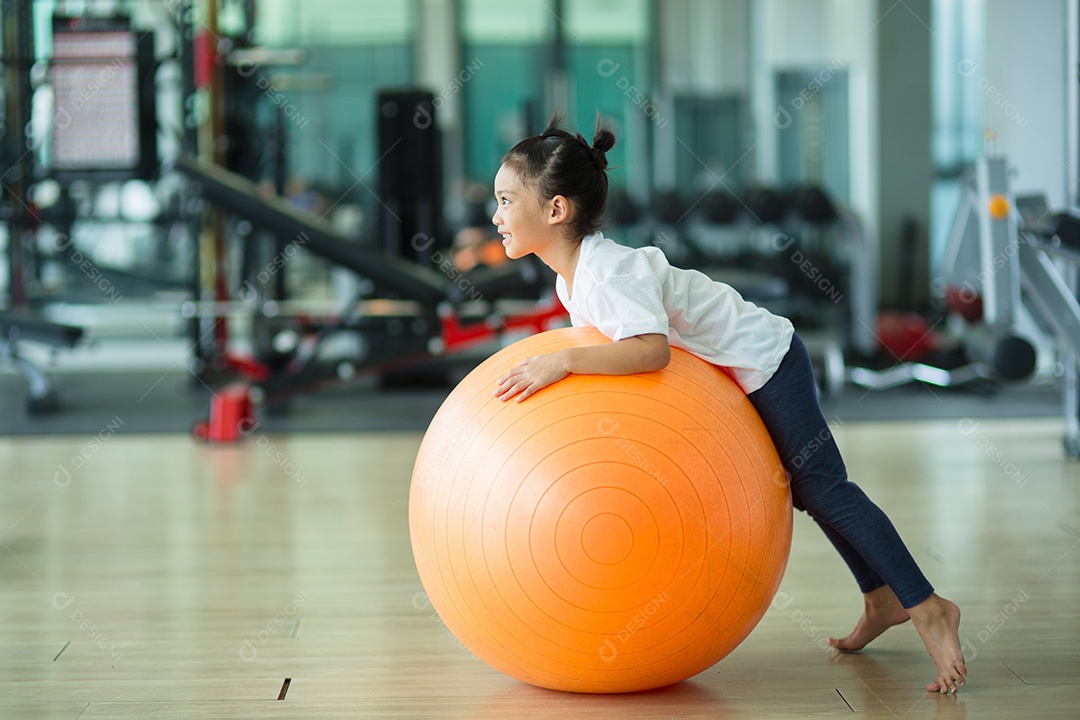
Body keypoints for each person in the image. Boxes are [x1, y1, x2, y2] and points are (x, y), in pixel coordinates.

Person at [490, 115, 967, 695]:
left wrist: (560, 362)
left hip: (767, 360)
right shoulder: (574, 279)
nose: (495, 216)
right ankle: (881, 595)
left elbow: (649, 353)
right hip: (738, 371)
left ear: (557, 209)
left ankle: (927, 605)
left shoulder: (606, 273)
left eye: (506, 200)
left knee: (821, 489)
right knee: (812, 493)